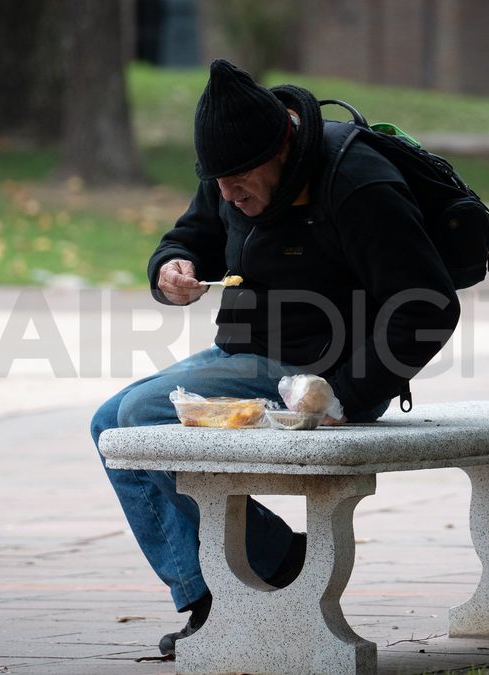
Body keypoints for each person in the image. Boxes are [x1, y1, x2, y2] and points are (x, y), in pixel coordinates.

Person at [90, 59, 460, 657]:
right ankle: (224, 590)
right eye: (217, 183)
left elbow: (429, 306)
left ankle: (264, 570)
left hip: (325, 372)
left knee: (140, 417)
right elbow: (192, 236)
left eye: (239, 180)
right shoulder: (229, 171)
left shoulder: (356, 182)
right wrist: (171, 267)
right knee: (110, 424)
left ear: (283, 147)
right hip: (246, 352)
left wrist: (344, 394)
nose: (227, 194)